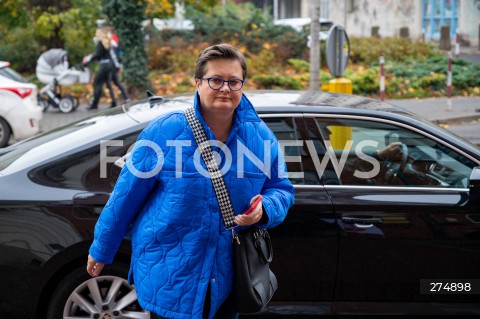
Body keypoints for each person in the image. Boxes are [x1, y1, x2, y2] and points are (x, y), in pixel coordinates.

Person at [86, 43, 295, 319]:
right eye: (216, 80)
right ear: (198, 83)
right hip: (170, 271)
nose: (225, 88)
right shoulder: (165, 131)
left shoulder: (261, 137)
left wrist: (265, 208)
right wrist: (102, 248)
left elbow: (282, 190)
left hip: (228, 277)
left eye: (234, 81)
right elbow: (126, 195)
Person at [83, 27, 117, 109]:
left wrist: (88, 60)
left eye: (96, 33)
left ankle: (95, 103)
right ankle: (114, 102)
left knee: (97, 83)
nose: (95, 34)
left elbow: (97, 54)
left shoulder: (101, 42)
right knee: (108, 84)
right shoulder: (107, 42)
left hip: (104, 66)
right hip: (110, 65)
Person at [106, 28, 131, 103]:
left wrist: (118, 66)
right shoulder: (113, 40)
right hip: (114, 65)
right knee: (115, 82)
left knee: (112, 82)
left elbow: (114, 56)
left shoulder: (112, 42)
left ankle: (115, 100)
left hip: (113, 66)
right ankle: (125, 98)